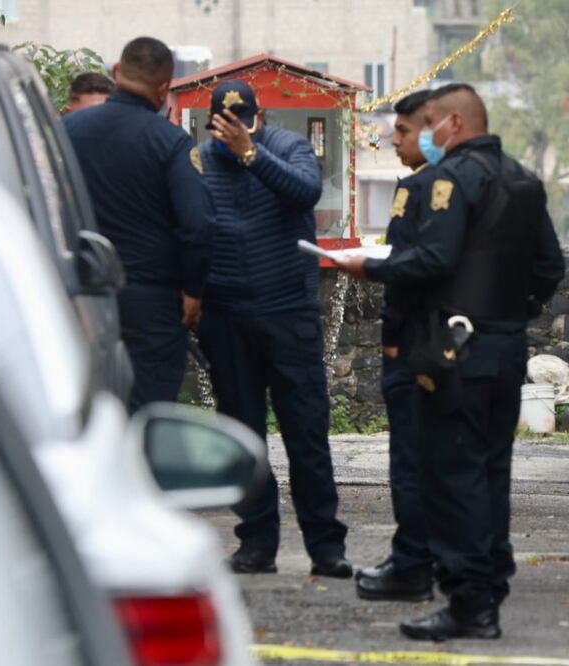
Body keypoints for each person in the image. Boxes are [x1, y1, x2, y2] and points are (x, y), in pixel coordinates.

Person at [336, 83, 565, 640]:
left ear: (455, 124)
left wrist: (370, 267)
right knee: (490, 474)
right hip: (505, 349)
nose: (427, 132)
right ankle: (487, 587)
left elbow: (434, 259)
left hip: (457, 354)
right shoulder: (523, 179)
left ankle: (470, 604)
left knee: (452, 478)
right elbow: (549, 268)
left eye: (431, 121)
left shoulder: (451, 179)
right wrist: (509, 314)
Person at [194, 80, 351, 578]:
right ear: (212, 123)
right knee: (242, 437)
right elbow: (189, 228)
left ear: (258, 118)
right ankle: (257, 544)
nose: (234, 132)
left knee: (306, 432)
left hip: (288, 313)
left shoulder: (289, 148)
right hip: (226, 315)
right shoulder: (199, 161)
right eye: (225, 125)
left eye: (243, 122)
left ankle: (326, 547)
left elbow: (305, 191)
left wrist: (251, 154)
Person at [64, 37, 213, 413]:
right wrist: (193, 293)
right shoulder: (171, 143)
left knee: (83, 409)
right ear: (165, 87)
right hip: (150, 305)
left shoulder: (66, 132)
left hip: (79, 294)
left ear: (117, 71)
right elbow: (197, 225)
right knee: (147, 414)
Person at [354, 90, 436, 603]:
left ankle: (413, 565)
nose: (392, 140)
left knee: (411, 462)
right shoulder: (479, 181)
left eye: (403, 131)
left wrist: (391, 340)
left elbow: (406, 270)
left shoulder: (423, 188)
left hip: (418, 345)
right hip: (454, 344)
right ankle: (421, 558)